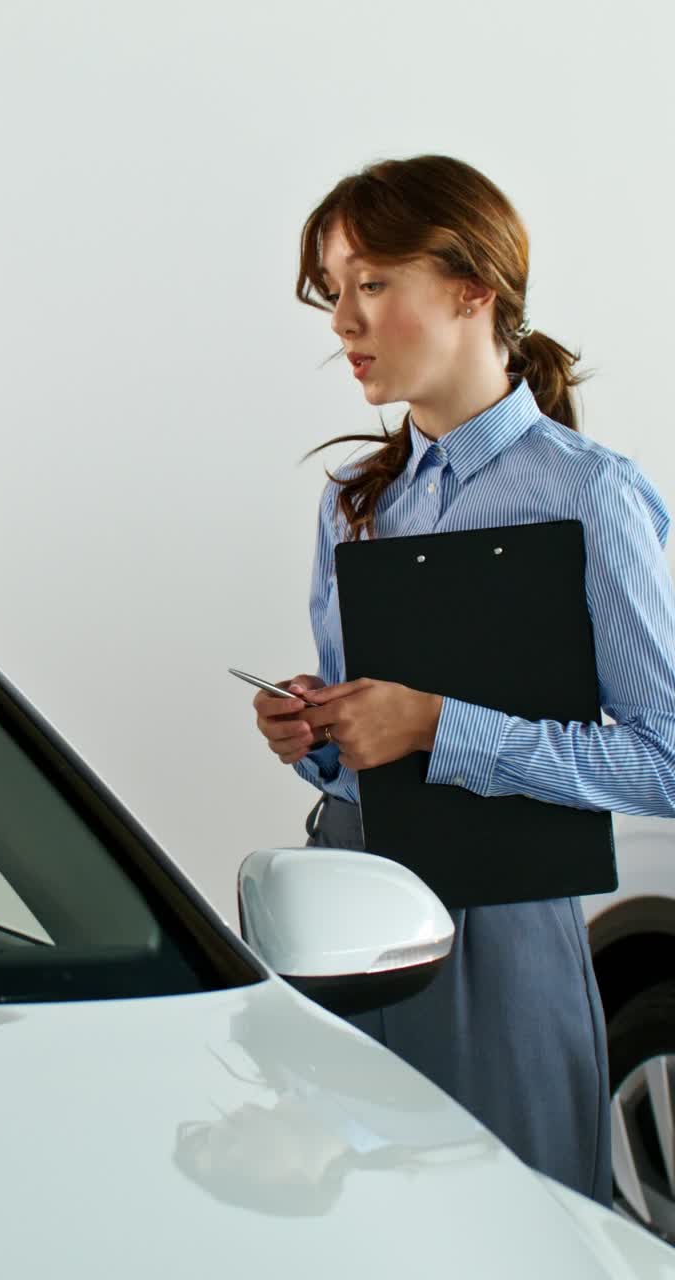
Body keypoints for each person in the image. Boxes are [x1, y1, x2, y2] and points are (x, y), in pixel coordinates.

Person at [252, 154, 675, 1206]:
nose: (344, 321)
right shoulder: (356, 500)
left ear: (472, 286)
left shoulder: (590, 496)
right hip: (351, 917)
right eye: (334, 291)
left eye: (372, 283)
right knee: (367, 1230)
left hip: (503, 938)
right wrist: (321, 731)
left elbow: (667, 756)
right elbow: (364, 761)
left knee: (520, 1226)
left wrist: (440, 725)